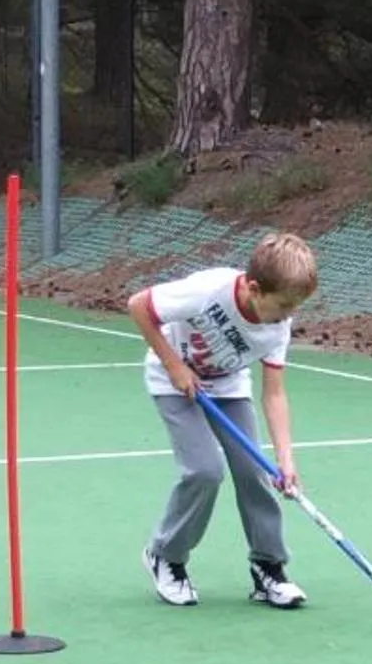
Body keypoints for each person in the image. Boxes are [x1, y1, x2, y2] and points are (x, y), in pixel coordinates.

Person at [129, 232, 321, 610]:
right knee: (204, 471)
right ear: (253, 288)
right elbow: (139, 306)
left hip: (228, 387)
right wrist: (175, 365)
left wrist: (286, 459)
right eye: (282, 305)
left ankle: (269, 568)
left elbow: (275, 393)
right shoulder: (207, 289)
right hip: (173, 382)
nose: (287, 316)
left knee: (255, 472)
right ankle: (166, 555)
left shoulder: (277, 327)